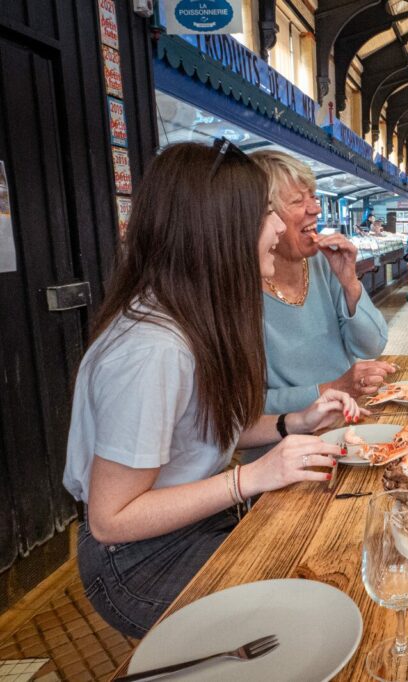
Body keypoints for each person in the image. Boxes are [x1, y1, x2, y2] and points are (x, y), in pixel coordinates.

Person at [63, 141, 366, 638]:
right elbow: (111, 519)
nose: (277, 228)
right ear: (218, 229)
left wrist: (294, 422)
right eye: (266, 212)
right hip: (137, 561)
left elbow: (202, 433)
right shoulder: (151, 349)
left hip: (193, 524)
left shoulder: (191, 315)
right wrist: (251, 479)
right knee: (301, 626)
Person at [250, 151, 394, 414]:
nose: (315, 209)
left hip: (348, 420)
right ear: (263, 215)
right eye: (297, 201)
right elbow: (243, 410)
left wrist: (350, 282)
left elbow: (373, 345)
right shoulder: (238, 291)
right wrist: (331, 389)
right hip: (286, 445)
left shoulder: (321, 264)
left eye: (314, 197)